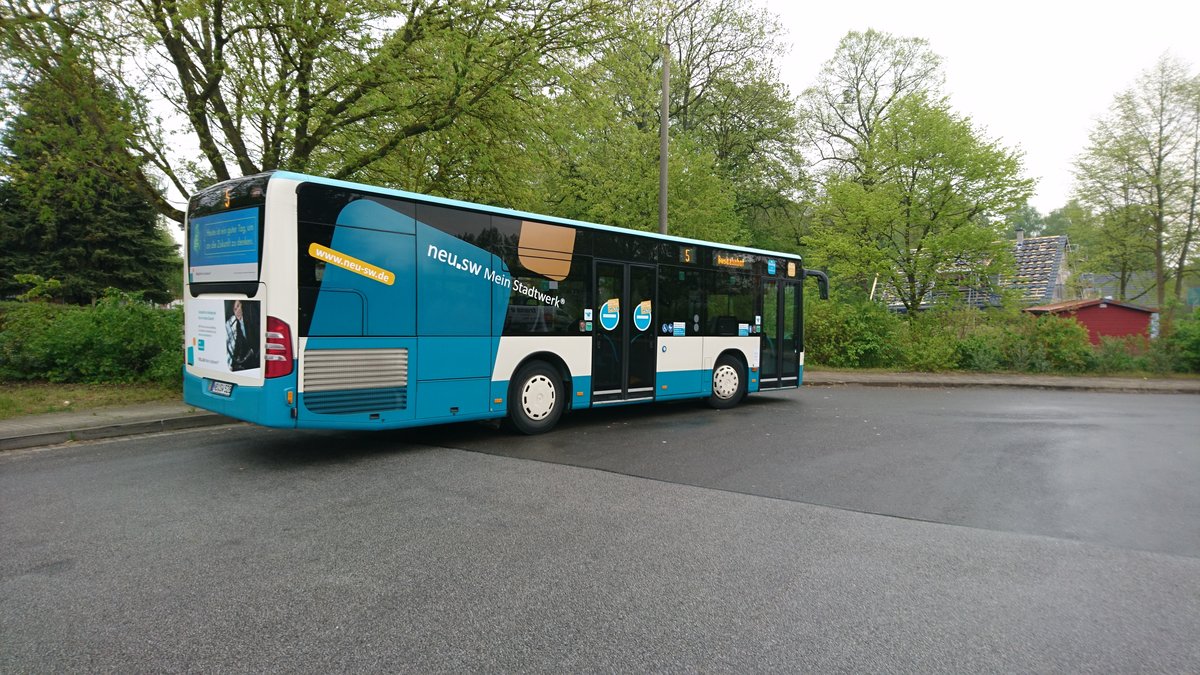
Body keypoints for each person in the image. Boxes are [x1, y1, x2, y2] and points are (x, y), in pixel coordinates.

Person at [225, 299, 259, 371]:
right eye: (235, 309)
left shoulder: (251, 317)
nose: (237, 310)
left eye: (238, 306)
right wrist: (233, 364)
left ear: (242, 306)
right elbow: (238, 344)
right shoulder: (238, 324)